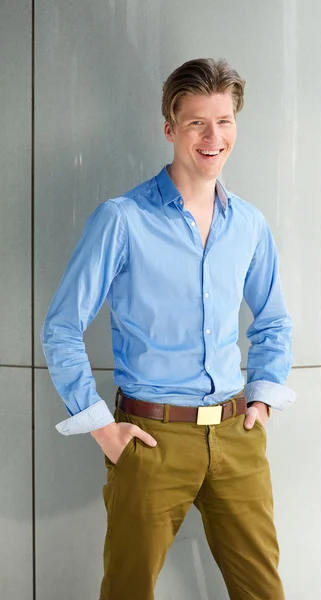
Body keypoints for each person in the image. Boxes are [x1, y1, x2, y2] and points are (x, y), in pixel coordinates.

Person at [41, 57, 296, 600]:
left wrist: (263, 401)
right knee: (128, 591)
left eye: (224, 121)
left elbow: (272, 320)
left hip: (236, 436)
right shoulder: (122, 219)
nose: (213, 136)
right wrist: (104, 431)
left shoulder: (249, 224)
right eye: (197, 122)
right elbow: (62, 326)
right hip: (151, 440)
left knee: (264, 592)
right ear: (170, 128)